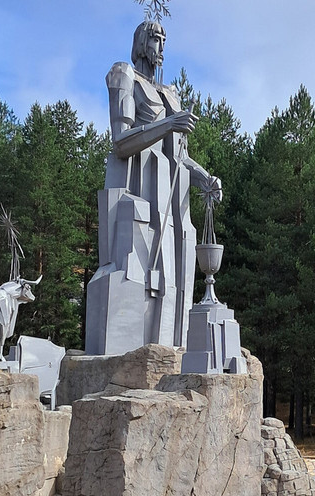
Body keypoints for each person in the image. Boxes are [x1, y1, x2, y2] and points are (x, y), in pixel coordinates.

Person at [84, 19, 223, 355]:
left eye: (165, 39)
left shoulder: (170, 93)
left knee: (175, 282)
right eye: (156, 38)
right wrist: (168, 123)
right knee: (138, 278)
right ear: (141, 41)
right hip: (139, 192)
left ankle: (168, 352)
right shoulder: (124, 76)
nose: (161, 46)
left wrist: (204, 177)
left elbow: (180, 155)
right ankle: (131, 357)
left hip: (173, 201)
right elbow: (120, 142)